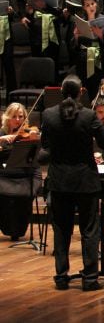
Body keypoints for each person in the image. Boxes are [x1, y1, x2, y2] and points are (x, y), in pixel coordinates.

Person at [40, 75, 104, 291]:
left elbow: (44, 149)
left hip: (59, 181)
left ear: (61, 91)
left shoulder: (48, 115)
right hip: (85, 181)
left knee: (61, 229)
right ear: (81, 91)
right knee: (89, 230)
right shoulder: (89, 116)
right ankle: (90, 279)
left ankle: (61, 277)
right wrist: (102, 158)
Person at [0, 103, 42, 241]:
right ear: (7, 118)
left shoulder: (29, 132)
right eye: (14, 117)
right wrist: (2, 139)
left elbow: (39, 152)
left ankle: (18, 230)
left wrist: (35, 137)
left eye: (21, 116)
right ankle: (8, 227)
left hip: (27, 174)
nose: (18, 120)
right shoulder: (1, 133)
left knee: (24, 194)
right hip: (5, 175)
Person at [21, 0, 64, 76]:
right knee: (38, 63)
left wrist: (45, 6)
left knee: (52, 62)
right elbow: (30, 12)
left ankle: (52, 91)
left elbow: (59, 12)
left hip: (52, 31)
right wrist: (29, 12)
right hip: (36, 32)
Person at [71, 0, 104, 98]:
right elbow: (74, 46)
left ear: (97, 4)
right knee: (84, 88)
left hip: (100, 60)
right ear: (84, 7)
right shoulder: (80, 21)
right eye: (87, 5)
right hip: (83, 60)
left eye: (92, 3)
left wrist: (101, 35)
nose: (91, 7)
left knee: (98, 88)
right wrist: (75, 37)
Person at [1, 0, 18, 97]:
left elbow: (16, 15)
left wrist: (11, 12)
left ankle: (12, 96)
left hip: (6, 36)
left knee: (8, 64)